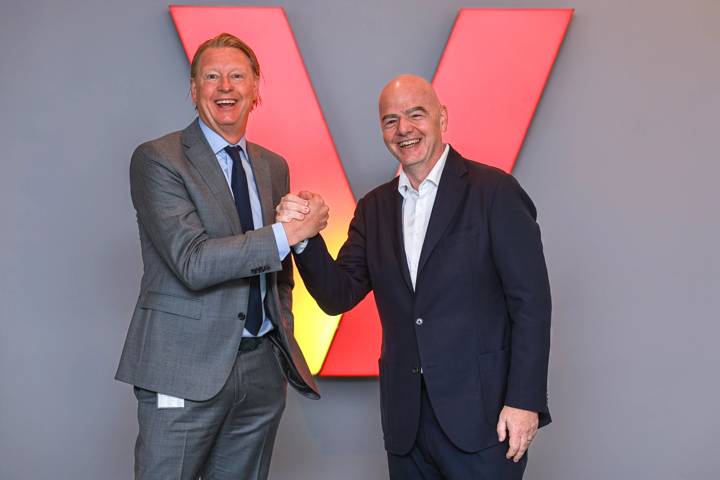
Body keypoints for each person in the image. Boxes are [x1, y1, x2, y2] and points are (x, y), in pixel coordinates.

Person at [277, 74, 552, 479]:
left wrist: (524, 401)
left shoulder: (495, 192)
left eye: (415, 114)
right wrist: (302, 238)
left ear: (442, 117)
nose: (403, 129)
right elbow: (338, 295)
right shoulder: (374, 208)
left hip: (484, 418)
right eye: (390, 120)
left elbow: (531, 304)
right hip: (407, 425)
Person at [115, 33, 328, 480]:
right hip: (182, 371)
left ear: (256, 90)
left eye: (237, 76)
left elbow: (278, 273)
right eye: (211, 77)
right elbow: (193, 262)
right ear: (194, 91)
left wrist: (277, 336)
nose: (224, 87)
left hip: (259, 372)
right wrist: (288, 232)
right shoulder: (158, 159)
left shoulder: (273, 166)